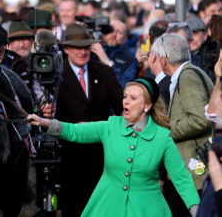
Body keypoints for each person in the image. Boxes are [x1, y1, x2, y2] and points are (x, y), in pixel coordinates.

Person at [28, 78, 200, 216]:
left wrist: (197, 210)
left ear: (147, 106)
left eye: (133, 98)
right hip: (107, 204)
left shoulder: (162, 138)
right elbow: (74, 131)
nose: (126, 102)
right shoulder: (111, 126)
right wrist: (44, 122)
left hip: (147, 208)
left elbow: (181, 178)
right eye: (125, 97)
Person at [46, 23, 123, 216]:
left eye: (86, 47)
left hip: (102, 157)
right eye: (77, 47)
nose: (83, 52)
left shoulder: (104, 72)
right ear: (66, 49)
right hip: (70, 158)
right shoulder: (55, 75)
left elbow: (123, 108)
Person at [150, 33, 214, 191]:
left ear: (164, 60)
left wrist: (166, 130)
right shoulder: (188, 73)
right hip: (194, 170)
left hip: (197, 172)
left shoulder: (187, 76)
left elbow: (200, 120)